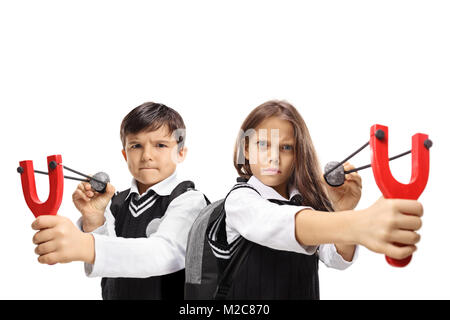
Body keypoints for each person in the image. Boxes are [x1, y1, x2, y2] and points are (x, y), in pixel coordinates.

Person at [207, 100, 423, 299]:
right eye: (263, 145)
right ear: (246, 149)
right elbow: (276, 222)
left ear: (298, 154)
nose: (274, 157)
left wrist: (342, 210)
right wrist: (360, 223)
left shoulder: (305, 204)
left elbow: (337, 259)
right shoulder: (240, 200)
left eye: (286, 147)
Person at [31, 102, 208, 300]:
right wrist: (94, 218)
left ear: (180, 152)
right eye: (136, 146)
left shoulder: (189, 200)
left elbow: (165, 253)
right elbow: (109, 265)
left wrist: (86, 245)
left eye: (160, 145)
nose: (147, 156)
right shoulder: (116, 202)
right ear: (125, 154)